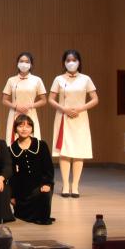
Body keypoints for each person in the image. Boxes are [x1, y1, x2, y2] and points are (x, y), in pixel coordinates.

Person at [48, 49, 98, 198]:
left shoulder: (86, 79)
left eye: (74, 60)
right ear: (64, 62)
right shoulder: (58, 79)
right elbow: (51, 99)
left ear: (79, 62)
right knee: (64, 151)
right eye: (68, 60)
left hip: (80, 118)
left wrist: (80, 108)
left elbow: (95, 99)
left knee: (78, 151)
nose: (71, 63)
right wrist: (64, 109)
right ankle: (65, 185)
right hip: (63, 117)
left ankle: (75, 186)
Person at [9, 114, 55, 225]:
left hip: (40, 185)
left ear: (32, 129)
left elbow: (48, 168)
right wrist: (12, 195)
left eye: (28, 126)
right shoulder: (11, 149)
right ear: (15, 129)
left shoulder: (41, 145)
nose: (24, 129)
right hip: (22, 190)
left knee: (44, 195)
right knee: (20, 214)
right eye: (20, 126)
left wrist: (47, 184)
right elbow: (12, 175)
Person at [1, 52, 48, 143]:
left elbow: (43, 100)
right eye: (21, 61)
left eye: (27, 62)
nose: (24, 64)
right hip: (15, 113)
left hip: (30, 112)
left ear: (31, 64)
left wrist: (30, 105)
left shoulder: (37, 80)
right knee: (14, 140)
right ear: (17, 63)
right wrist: (16, 106)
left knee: (32, 138)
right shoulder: (11, 80)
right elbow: (4, 100)